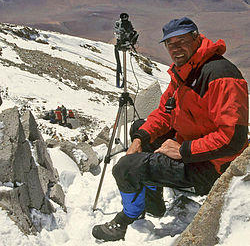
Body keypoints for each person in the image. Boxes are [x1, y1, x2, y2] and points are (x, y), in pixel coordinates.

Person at [92, 17, 249, 242]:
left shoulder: (220, 75)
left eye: (182, 41)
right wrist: (139, 139)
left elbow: (233, 139)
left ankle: (128, 218)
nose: (175, 49)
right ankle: (153, 203)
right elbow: (165, 112)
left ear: (196, 38)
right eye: (170, 44)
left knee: (126, 167)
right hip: (195, 145)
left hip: (214, 165)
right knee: (140, 128)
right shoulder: (185, 70)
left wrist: (183, 150)